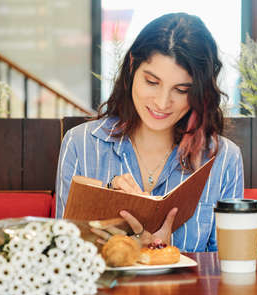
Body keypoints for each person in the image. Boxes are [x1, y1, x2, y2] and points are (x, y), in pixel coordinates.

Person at [55, 12, 243, 252]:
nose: (162, 103)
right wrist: (123, 244)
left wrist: (166, 250)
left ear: (199, 92)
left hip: (189, 291)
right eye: (152, 82)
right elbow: (62, 253)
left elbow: (230, 265)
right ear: (132, 65)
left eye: (181, 89)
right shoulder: (81, 144)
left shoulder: (224, 159)